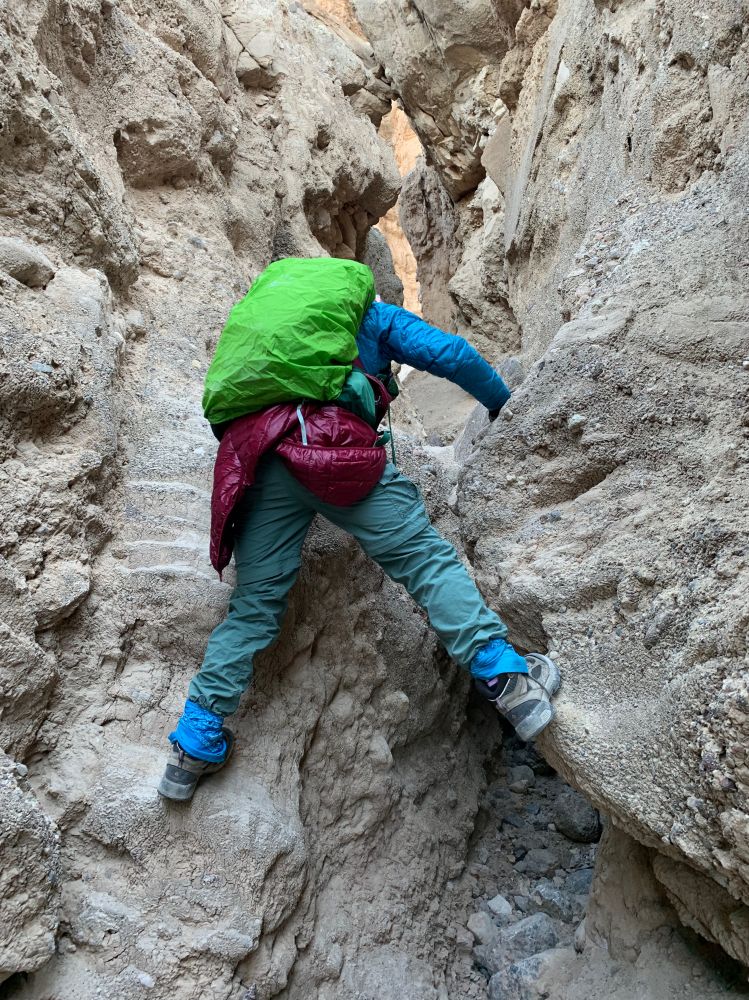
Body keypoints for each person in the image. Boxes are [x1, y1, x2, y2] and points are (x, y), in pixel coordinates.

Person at [158, 295, 559, 801]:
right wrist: (501, 402)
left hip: (261, 457)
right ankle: (507, 679)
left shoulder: (273, 337)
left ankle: (193, 744)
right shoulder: (370, 315)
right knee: (424, 559)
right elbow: (450, 354)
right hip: (332, 449)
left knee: (253, 606)